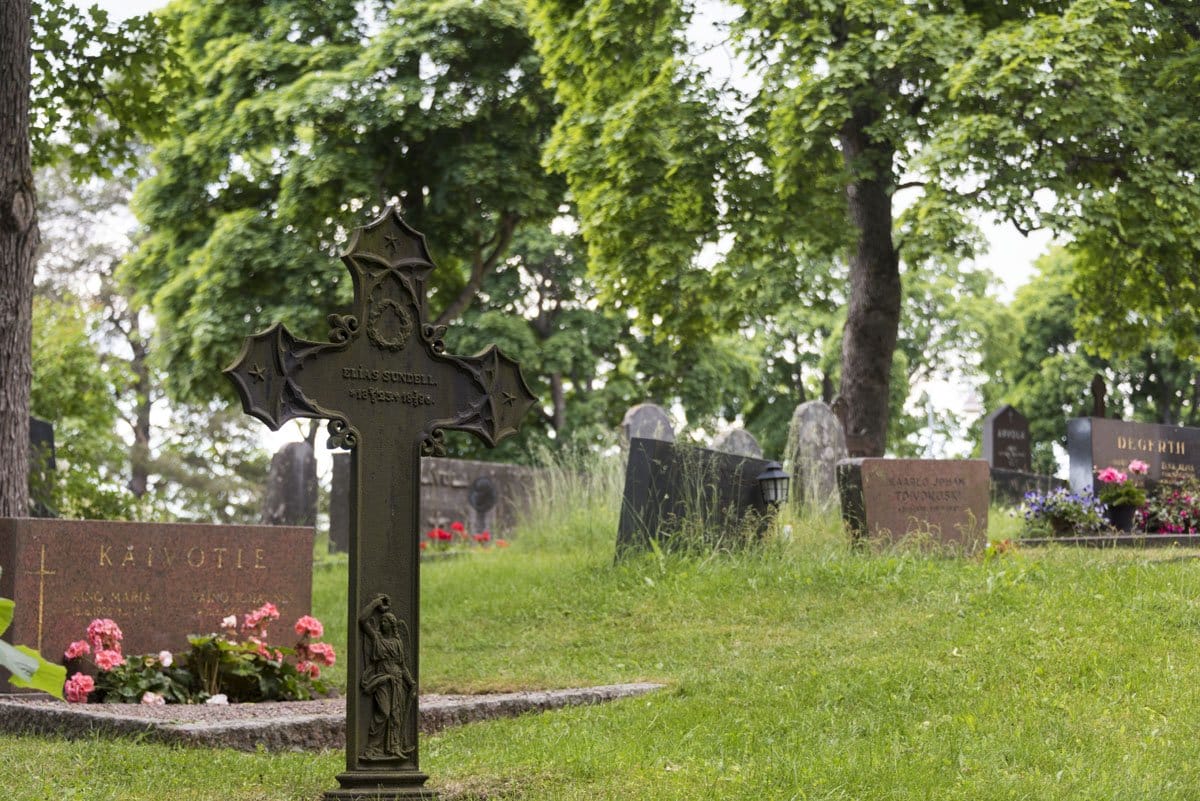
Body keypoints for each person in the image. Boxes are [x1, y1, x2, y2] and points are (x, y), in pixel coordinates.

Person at [358, 593, 416, 760]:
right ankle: (371, 748)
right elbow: (362, 620)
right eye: (381, 621)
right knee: (384, 712)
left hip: (397, 680)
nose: (382, 624)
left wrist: (410, 681)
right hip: (382, 679)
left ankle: (394, 748)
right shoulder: (376, 638)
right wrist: (376, 603)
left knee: (396, 715)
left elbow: (402, 665)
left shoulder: (397, 643)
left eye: (385, 622)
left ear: (392, 625)